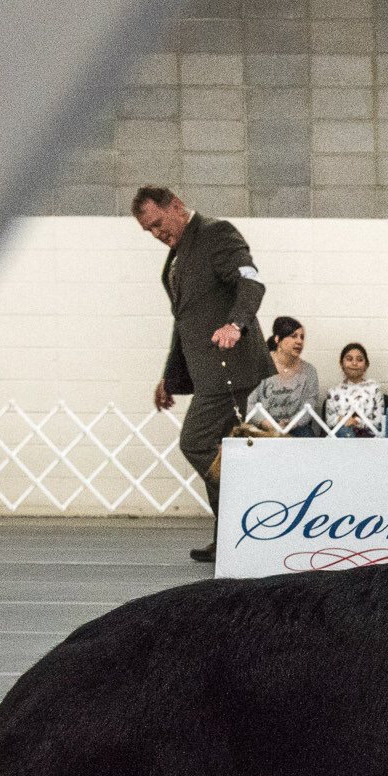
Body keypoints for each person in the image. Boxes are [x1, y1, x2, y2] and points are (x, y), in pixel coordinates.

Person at [134, 186, 269, 563]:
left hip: (233, 368)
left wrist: (236, 325)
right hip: (208, 372)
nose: (158, 235)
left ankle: (258, 509)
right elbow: (185, 323)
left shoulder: (215, 234)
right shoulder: (176, 259)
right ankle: (231, 537)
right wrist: (170, 378)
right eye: (150, 231)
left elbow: (251, 281)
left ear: (176, 206)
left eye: (159, 224)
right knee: (221, 450)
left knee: (196, 443)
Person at [245, 316, 323, 436]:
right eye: (293, 336)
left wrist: (293, 423)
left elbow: (309, 405)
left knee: (307, 435)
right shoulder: (258, 366)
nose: (299, 341)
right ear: (277, 339)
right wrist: (269, 424)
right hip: (262, 427)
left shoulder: (309, 371)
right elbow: (248, 403)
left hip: (296, 428)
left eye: (302, 337)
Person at [325, 342, 384, 437]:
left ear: (366, 365)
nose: (354, 363)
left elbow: (379, 421)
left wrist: (358, 422)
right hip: (342, 438)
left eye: (359, 360)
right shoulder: (333, 392)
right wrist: (341, 420)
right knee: (344, 431)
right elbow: (329, 421)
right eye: (349, 359)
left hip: (369, 439)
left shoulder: (374, 389)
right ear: (341, 364)